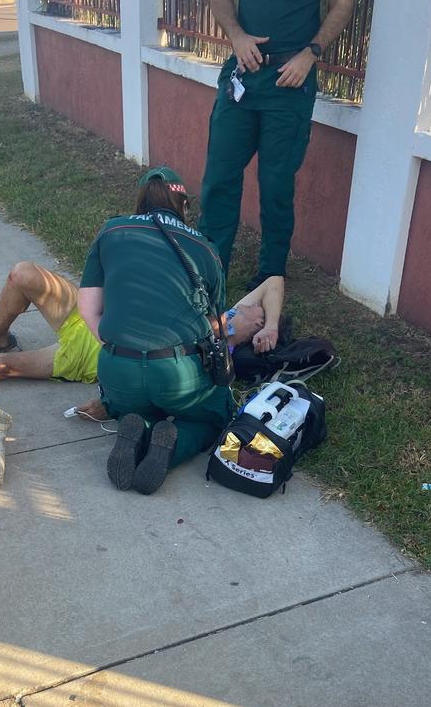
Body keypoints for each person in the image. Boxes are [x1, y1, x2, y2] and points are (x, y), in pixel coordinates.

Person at [78, 166, 285, 495]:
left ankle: (138, 426)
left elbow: (88, 308)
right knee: (212, 416)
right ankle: (171, 446)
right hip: (177, 373)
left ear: (141, 200)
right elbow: (214, 327)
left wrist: (119, 345)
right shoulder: (205, 248)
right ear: (184, 206)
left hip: (119, 370)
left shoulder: (111, 231)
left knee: (131, 405)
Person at [0, 258, 282, 422]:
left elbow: (162, 391)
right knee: (23, 273)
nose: (249, 313)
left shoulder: (214, 362)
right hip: (94, 312)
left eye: (255, 323)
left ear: (248, 341)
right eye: (253, 313)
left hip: (89, 353)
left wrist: (111, 406)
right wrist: (272, 326)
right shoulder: (234, 315)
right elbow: (273, 281)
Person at [199, 0, 354, 286]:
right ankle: (209, 272)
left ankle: (271, 278)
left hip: (290, 81)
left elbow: (343, 4)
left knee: (276, 185)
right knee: (219, 176)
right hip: (243, 74)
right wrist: (236, 36)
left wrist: (311, 53)